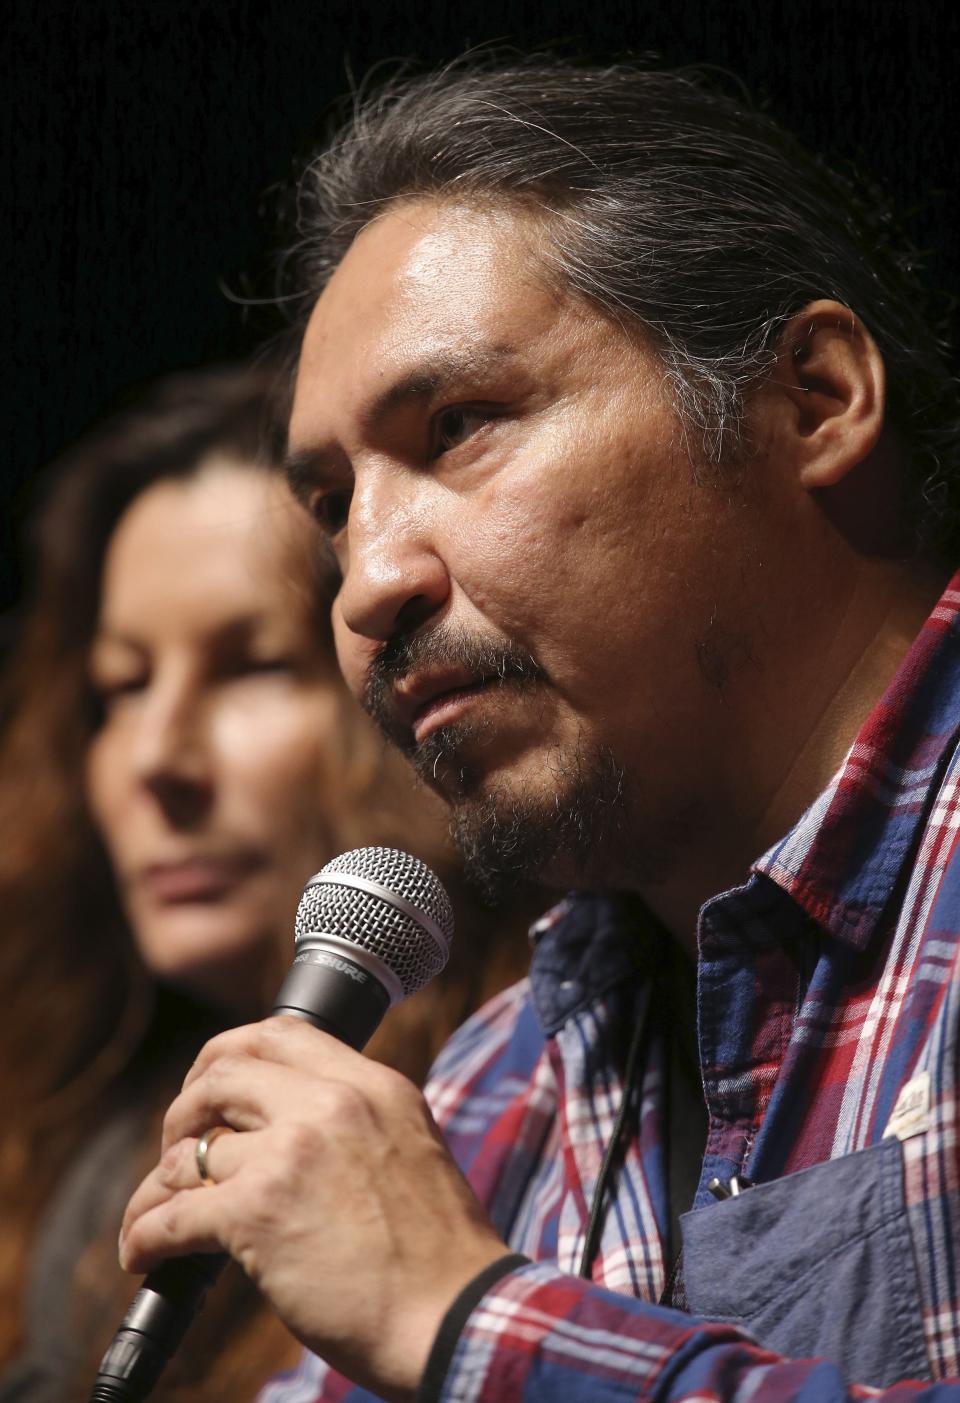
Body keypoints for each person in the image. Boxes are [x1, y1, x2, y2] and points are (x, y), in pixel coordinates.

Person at [118, 59, 960, 1401]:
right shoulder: (500, 1077)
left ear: (814, 398)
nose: (368, 581)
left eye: (458, 427)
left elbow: (448, 1314)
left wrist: (465, 1322)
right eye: (334, 505)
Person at [0, 365, 529, 1402]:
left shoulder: (540, 1099)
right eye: (122, 685)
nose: (159, 757)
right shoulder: (62, 1147)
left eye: (251, 666)